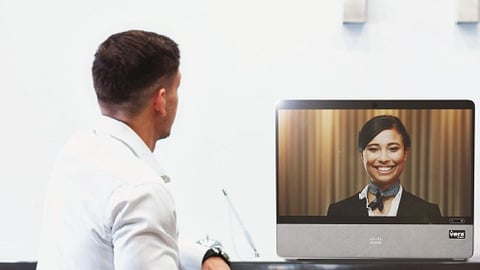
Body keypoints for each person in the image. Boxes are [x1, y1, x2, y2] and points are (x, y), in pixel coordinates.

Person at [36, 30, 231, 270]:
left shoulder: (76, 152)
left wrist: (203, 254)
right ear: (160, 101)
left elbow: (118, 238)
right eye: (176, 88)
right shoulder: (141, 191)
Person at [327, 115, 441, 221]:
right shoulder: (338, 212)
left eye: (393, 149)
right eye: (373, 149)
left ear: (405, 153)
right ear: (362, 155)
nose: (383, 158)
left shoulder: (428, 212)